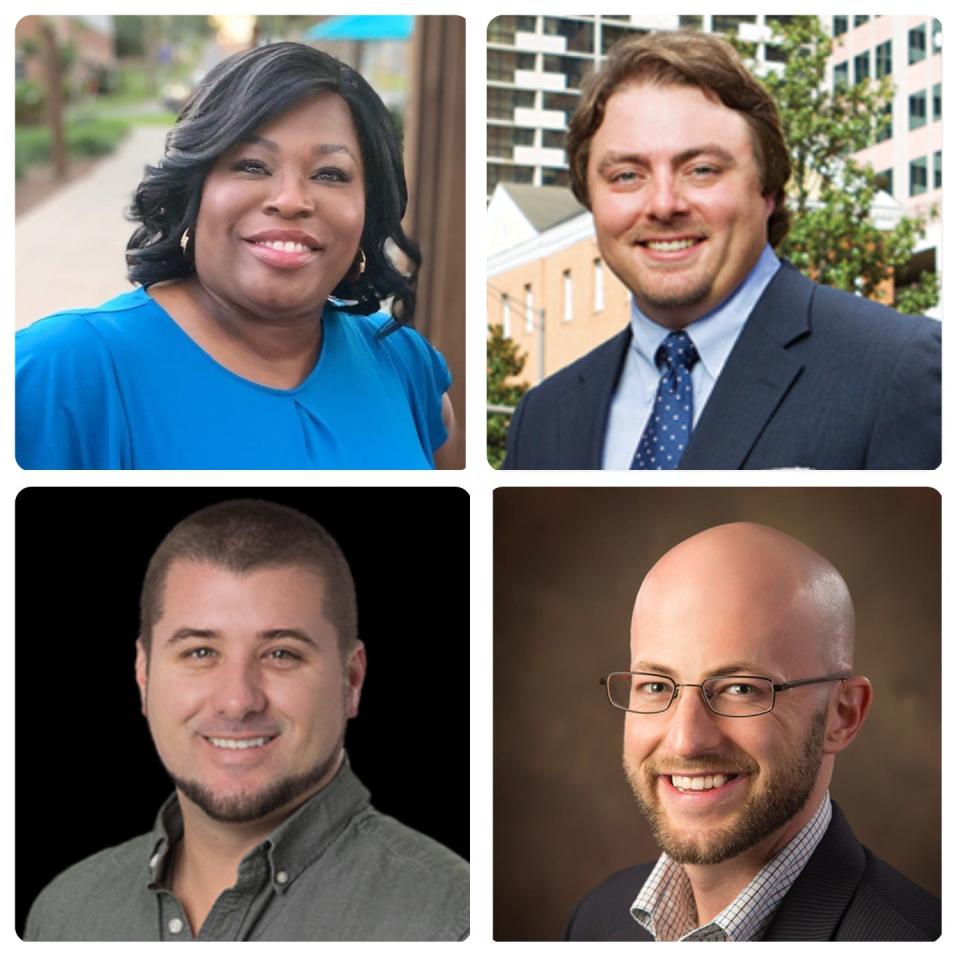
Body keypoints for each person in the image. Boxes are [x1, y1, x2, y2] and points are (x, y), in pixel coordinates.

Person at [24, 500, 469, 940]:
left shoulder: (454, 924)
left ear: (350, 680)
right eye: (200, 652)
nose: (237, 701)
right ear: (143, 675)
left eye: (281, 654)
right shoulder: (65, 915)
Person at [502, 31, 940, 469]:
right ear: (591, 199)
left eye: (702, 169)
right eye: (626, 176)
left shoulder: (900, 367)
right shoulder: (542, 418)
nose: (663, 204)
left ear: (768, 189)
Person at [16, 43, 455, 469]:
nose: (290, 200)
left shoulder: (403, 362)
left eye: (330, 174)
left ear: (368, 211)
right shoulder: (60, 372)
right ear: (194, 190)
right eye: (251, 166)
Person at [566, 522, 939, 940]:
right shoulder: (595, 921)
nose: (686, 740)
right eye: (655, 687)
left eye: (741, 689)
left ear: (843, 715)